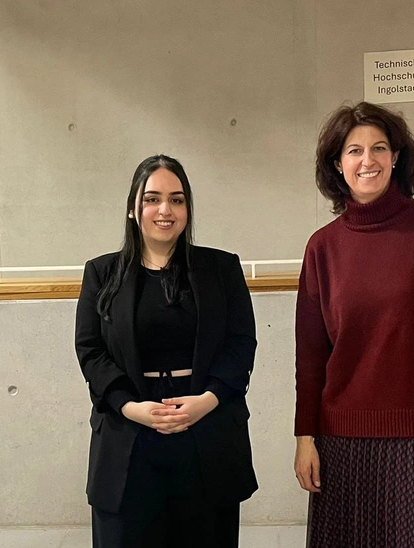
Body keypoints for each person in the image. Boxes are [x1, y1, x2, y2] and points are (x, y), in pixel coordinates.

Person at [75, 154, 258, 547]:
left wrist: (207, 400)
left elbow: (241, 344)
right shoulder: (102, 273)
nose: (165, 210)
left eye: (177, 199)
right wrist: (129, 406)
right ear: (132, 208)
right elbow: (90, 350)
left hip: (205, 432)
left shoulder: (221, 269)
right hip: (130, 435)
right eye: (152, 198)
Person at [294, 101, 414, 547]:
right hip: (341, 443)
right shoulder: (322, 248)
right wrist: (305, 438)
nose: (368, 161)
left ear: (396, 157)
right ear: (337, 164)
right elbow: (310, 357)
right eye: (354, 151)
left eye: (379, 148)